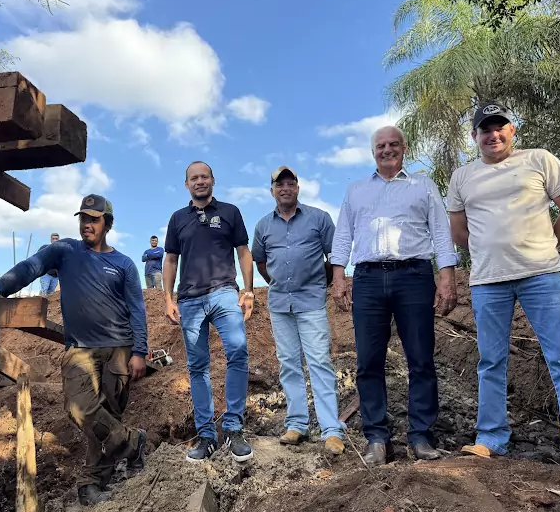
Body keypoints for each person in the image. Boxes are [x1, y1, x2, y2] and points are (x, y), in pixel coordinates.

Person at [447, 103, 560, 472]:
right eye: (485, 129)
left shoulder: (539, 160)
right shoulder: (462, 177)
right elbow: (458, 231)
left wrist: (547, 245)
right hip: (487, 282)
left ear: (512, 130)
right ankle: (490, 440)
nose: (493, 134)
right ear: (475, 137)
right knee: (491, 361)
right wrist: (489, 252)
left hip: (541, 275)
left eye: (500, 127)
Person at [0, 194, 149, 504]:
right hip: (79, 349)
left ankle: (91, 482)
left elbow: (137, 309)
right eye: (83, 218)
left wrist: (140, 351)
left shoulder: (123, 264)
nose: (87, 224)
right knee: (80, 410)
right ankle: (134, 441)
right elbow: (31, 267)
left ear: (107, 223)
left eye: (94, 219)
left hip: (119, 349)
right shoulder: (65, 250)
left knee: (105, 416)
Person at [331, 126, 459, 467]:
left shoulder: (423, 185)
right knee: (368, 361)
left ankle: (421, 435)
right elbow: (344, 234)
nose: (387, 150)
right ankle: (377, 437)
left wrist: (447, 276)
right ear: (373, 152)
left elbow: (441, 233)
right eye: (380, 146)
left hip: (414, 277)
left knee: (420, 358)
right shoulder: (356, 190)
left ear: (404, 148)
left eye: (393, 144)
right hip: (369, 279)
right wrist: (338, 274)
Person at [163, 161, 255, 463]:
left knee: (238, 352)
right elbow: (171, 259)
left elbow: (243, 251)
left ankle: (233, 428)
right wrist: (168, 298)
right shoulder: (178, 219)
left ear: (213, 180)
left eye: (204, 176)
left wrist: (248, 290)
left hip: (224, 293)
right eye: (194, 178)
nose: (199, 181)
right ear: (186, 184)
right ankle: (206, 435)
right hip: (189, 301)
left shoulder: (230, 212)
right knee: (197, 367)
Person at [252, 166, 345, 455]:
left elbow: (335, 254)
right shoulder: (263, 226)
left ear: (298, 188)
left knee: (319, 362)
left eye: (290, 184)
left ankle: (331, 430)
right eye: (280, 185)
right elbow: (261, 263)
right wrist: (278, 283)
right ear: (272, 191)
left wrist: (322, 282)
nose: (285, 188)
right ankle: (297, 424)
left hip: (311, 301)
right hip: (280, 304)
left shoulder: (319, 218)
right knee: (289, 363)